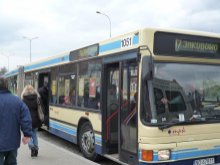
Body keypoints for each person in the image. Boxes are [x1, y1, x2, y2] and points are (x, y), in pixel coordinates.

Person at [0, 77, 32, 165]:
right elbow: (26, 118)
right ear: (7, 86)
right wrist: (27, 134)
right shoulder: (17, 101)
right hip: (12, 142)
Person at [21, 85, 42, 157]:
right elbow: (39, 109)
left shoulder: (23, 99)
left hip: (27, 120)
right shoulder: (37, 98)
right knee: (34, 135)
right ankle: (36, 149)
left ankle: (32, 147)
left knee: (28, 135)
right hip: (36, 120)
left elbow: (22, 111)